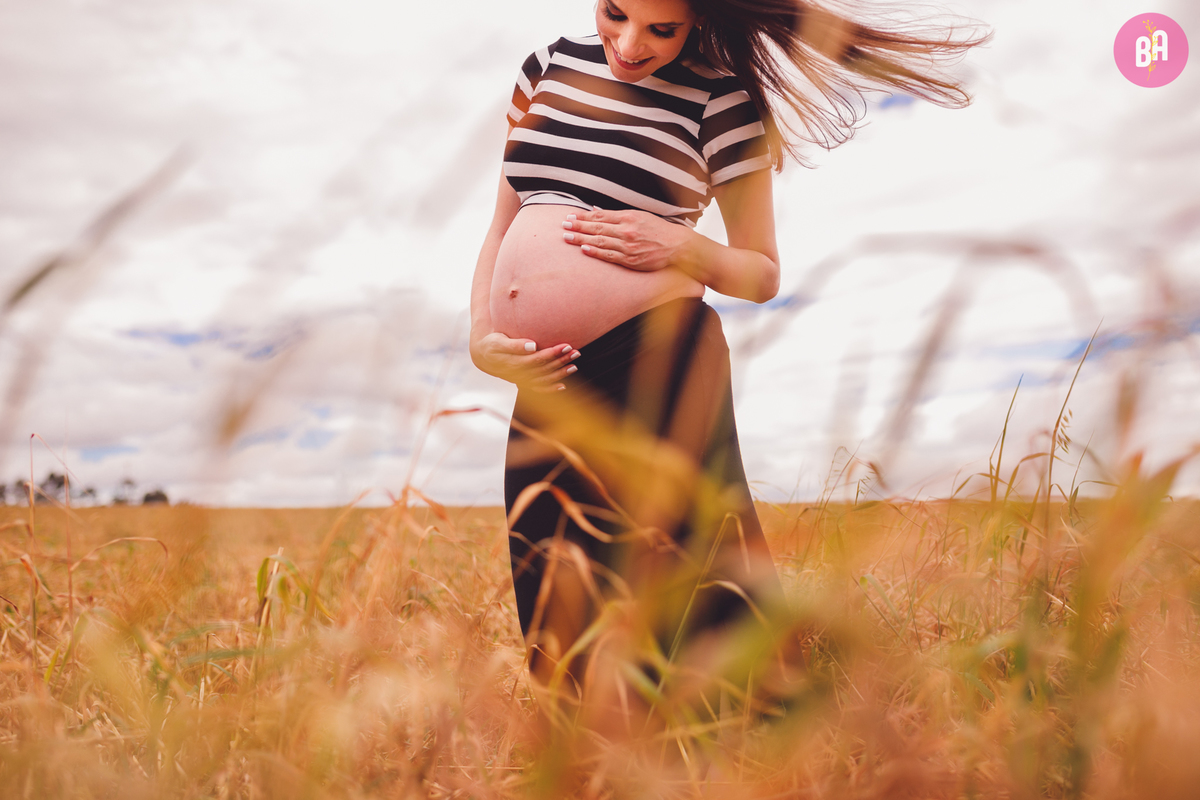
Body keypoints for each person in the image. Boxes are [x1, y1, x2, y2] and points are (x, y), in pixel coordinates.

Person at [469, 0, 985, 706]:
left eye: (661, 29)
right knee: (552, 573)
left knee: (685, 573)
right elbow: (504, 224)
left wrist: (681, 244)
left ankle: (735, 747)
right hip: (547, 376)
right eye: (616, 14)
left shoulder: (722, 96)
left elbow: (761, 272)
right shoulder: (548, 69)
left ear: (699, 20)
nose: (628, 43)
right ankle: (591, 758)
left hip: (659, 357)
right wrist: (481, 339)